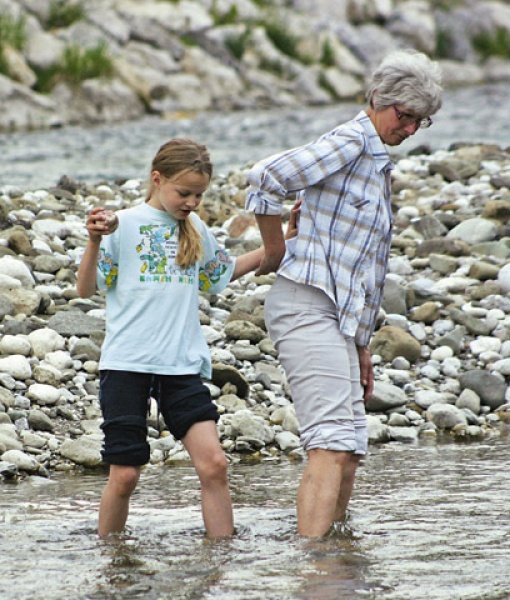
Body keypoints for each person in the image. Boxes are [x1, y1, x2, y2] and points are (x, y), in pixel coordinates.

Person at [245, 49, 443, 537]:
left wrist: (361, 346)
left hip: (338, 319)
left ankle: (336, 561)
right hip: (306, 305)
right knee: (330, 444)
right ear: (378, 99)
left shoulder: (377, 164)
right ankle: (315, 570)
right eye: (406, 116)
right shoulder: (352, 141)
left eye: (423, 121)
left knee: (350, 451)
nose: (412, 130)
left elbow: (364, 268)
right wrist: (274, 250)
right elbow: (266, 177)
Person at [77, 138, 297, 539]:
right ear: (157, 180)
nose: (192, 202)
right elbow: (85, 288)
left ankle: (221, 558)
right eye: (184, 192)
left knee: (214, 464)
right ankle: (111, 561)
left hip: (181, 365)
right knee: (125, 475)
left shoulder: (194, 228)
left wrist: (280, 243)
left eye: (199, 194)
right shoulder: (121, 225)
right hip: (126, 365)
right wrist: (94, 240)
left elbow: (221, 274)